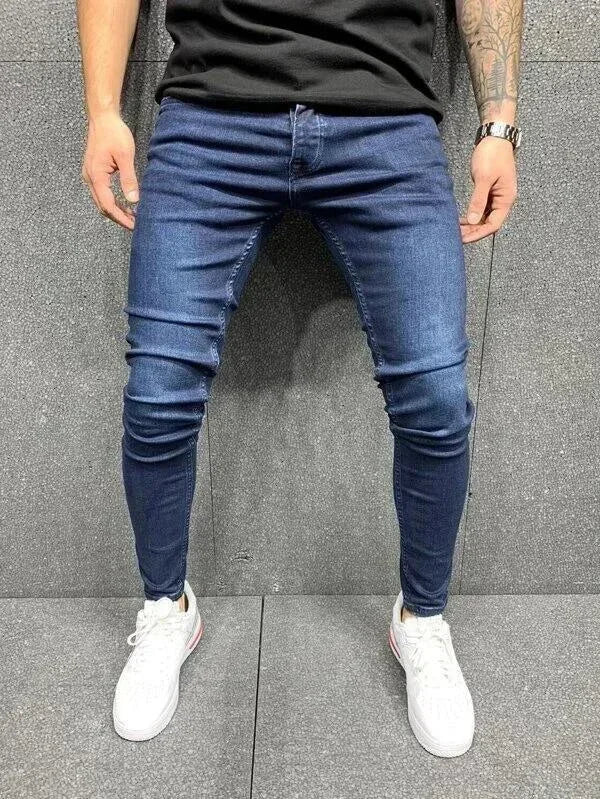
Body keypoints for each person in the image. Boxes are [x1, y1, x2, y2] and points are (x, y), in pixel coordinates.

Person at [77, 0, 522, 755]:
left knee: (438, 399)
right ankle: (165, 609)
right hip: (211, 115)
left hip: (386, 119)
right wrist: (102, 110)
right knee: (156, 396)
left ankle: (422, 619)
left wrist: (499, 125)